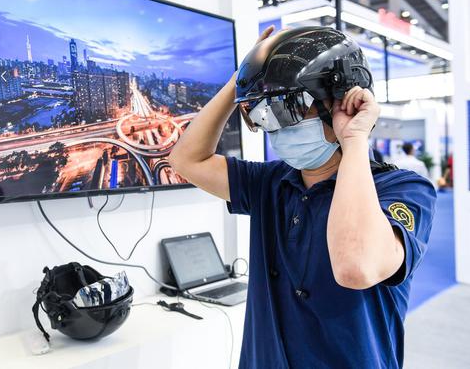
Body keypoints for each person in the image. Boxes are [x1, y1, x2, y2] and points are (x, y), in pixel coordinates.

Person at [169, 26, 436, 369]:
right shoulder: (270, 182)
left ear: (342, 100)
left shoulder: (404, 190)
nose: (276, 127)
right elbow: (186, 160)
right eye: (264, 115)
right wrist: (240, 79)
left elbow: (356, 267)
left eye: (289, 108)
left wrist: (354, 138)